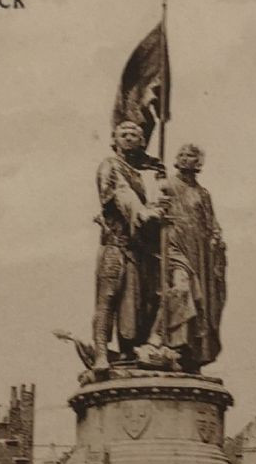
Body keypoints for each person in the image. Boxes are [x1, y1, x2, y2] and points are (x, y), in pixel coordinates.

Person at [92, 120, 165, 369]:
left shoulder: (144, 175)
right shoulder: (110, 166)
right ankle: (101, 353)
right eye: (124, 133)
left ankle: (130, 351)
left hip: (137, 249)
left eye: (134, 134)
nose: (129, 137)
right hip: (114, 244)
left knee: (135, 303)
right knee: (108, 298)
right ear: (114, 140)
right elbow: (117, 194)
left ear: (142, 141)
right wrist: (142, 213)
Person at [153, 143, 226, 373]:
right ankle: (161, 339)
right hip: (174, 246)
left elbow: (212, 223)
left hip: (200, 252)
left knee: (201, 300)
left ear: (198, 162)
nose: (185, 158)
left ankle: (189, 353)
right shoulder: (167, 185)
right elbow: (154, 210)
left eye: (191, 155)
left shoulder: (203, 194)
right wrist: (159, 209)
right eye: (182, 154)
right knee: (182, 289)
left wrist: (216, 238)